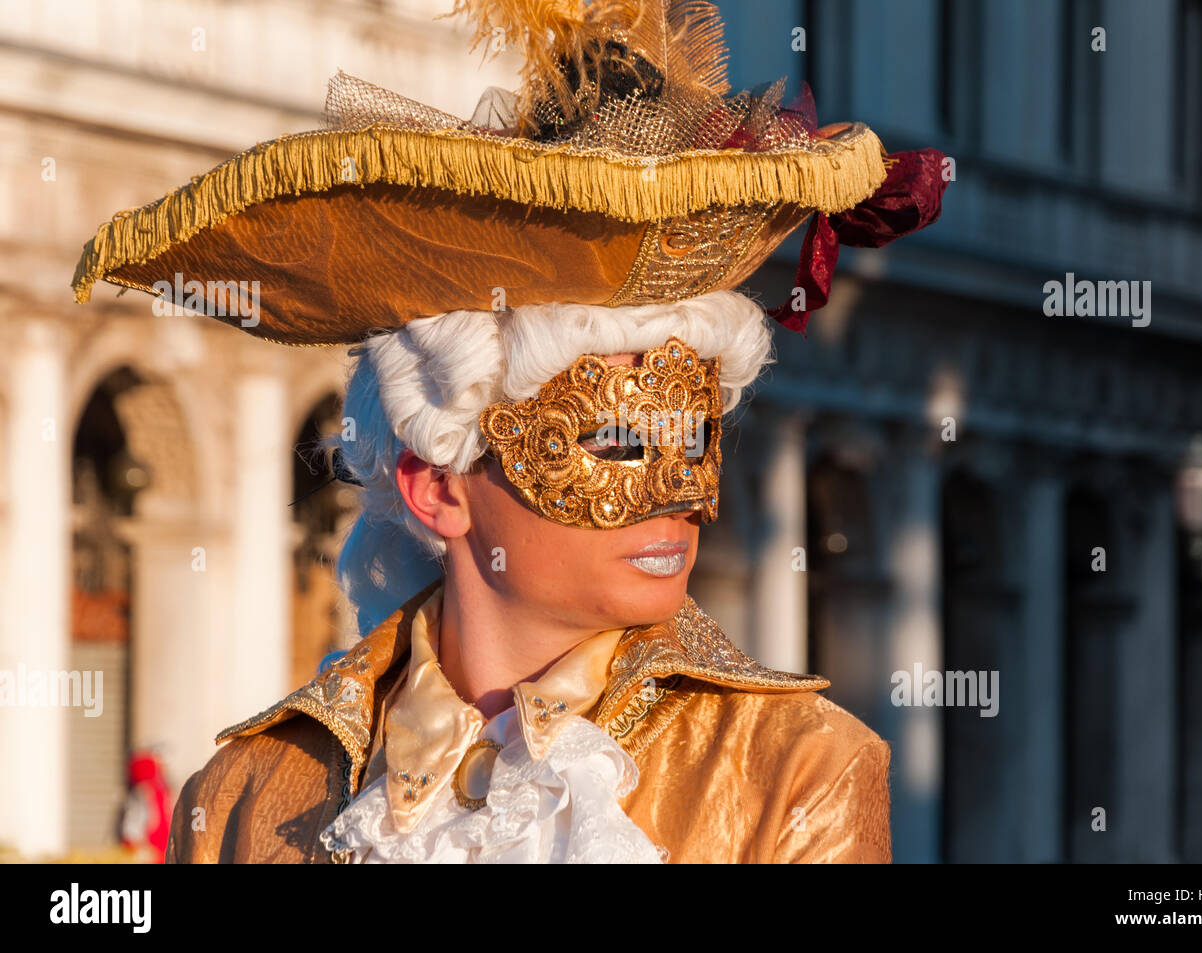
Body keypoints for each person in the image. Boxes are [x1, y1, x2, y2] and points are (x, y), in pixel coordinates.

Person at [72, 0, 946, 863]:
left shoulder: (794, 776)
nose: (683, 493)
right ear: (438, 484)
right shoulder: (245, 797)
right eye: (614, 440)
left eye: (693, 436)